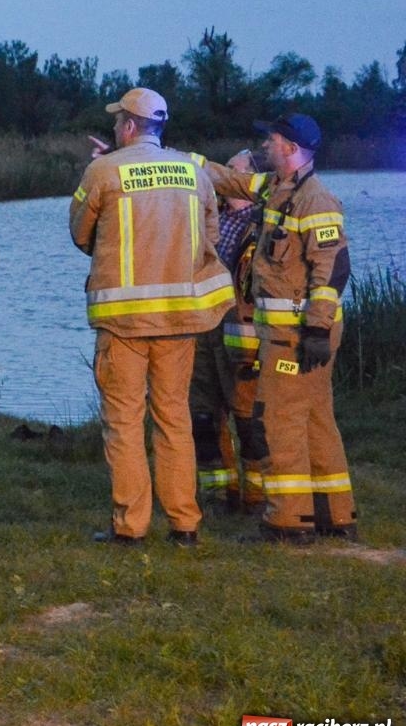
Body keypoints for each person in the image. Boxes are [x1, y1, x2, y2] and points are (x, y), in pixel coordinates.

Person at [70, 88, 233, 547]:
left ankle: (131, 526)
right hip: (180, 317)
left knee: (123, 421)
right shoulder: (193, 171)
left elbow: (80, 233)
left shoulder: (102, 170)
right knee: (174, 417)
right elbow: (210, 237)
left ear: (126, 127)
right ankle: (185, 524)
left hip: (122, 320)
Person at [203, 114, 355, 543]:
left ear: (290, 147)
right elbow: (230, 182)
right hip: (292, 334)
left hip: (297, 337)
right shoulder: (275, 189)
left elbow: (333, 269)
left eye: (271, 139)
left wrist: (317, 330)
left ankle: (288, 522)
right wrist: (170, 158)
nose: (264, 145)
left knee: (279, 420)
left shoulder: (316, 201)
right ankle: (333, 515)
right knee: (315, 420)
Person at [187, 149, 268, 514]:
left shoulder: (263, 223)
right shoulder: (211, 216)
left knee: (246, 413)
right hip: (203, 326)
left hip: (241, 335)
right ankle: (220, 493)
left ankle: (256, 494)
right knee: (203, 413)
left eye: (233, 172)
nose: (222, 178)